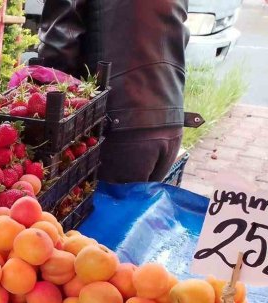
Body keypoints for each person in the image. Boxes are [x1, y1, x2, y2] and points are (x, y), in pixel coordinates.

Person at [37, 0, 190, 183]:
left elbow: (58, 48)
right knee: (136, 207)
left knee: (100, 208)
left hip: (118, 127)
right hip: (170, 120)